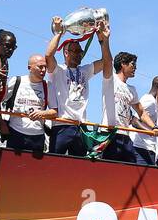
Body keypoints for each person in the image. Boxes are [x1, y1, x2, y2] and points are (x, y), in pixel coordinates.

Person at [44, 17, 109, 156]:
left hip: (81, 126)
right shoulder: (58, 70)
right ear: (66, 53)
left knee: (78, 166)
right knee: (55, 162)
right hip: (62, 124)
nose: (79, 54)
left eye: (80, 51)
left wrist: (103, 40)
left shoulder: (85, 70)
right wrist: (59, 33)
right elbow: (48, 55)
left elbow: (106, 62)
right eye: (75, 51)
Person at [104, 49, 158, 164]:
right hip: (110, 134)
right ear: (123, 64)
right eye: (133, 64)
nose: (135, 68)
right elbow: (107, 61)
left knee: (131, 170)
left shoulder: (132, 89)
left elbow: (141, 112)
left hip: (125, 135)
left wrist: (154, 127)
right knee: (109, 171)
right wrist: (104, 39)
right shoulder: (110, 80)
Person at [0, 53, 57, 154]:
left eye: (45, 67)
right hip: (15, 132)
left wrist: (41, 113)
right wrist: (1, 123)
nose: (43, 70)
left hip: (37, 136)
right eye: (40, 67)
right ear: (29, 68)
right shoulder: (17, 81)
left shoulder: (48, 86)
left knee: (34, 169)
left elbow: (54, 112)